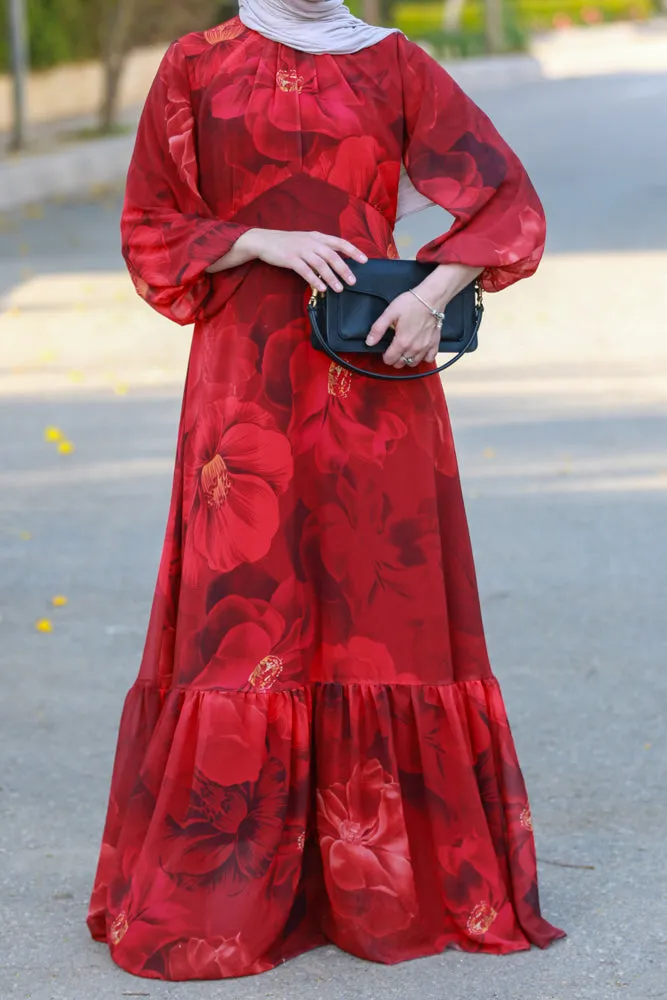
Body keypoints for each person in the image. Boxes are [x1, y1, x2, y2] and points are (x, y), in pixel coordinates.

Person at [87, 0, 564, 980]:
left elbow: (506, 202)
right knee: (248, 623)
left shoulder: (392, 65)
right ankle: (236, 885)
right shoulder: (195, 65)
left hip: (372, 380)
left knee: (372, 619)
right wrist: (258, 239)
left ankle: (375, 882)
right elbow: (148, 227)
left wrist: (430, 294)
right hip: (245, 388)